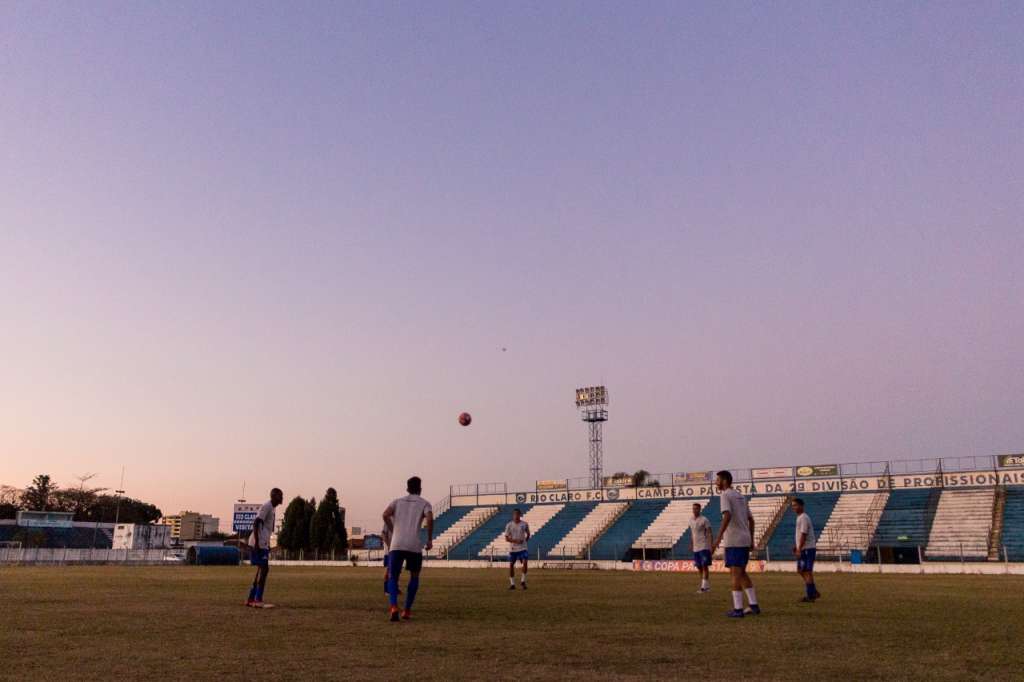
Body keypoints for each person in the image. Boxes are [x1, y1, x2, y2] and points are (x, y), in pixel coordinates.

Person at [382, 476, 434, 622]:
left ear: (407, 489)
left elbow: (385, 514)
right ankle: (407, 610)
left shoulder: (397, 502)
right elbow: (430, 518)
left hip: (396, 544)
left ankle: (394, 607)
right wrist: (429, 539)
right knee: (414, 576)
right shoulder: (425, 503)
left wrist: (393, 529)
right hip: (414, 545)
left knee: (393, 576)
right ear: (420, 489)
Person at [710, 471, 760, 618]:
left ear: (725, 481)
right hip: (744, 539)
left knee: (735, 574)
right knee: (742, 573)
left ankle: (738, 609)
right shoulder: (741, 496)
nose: (716, 482)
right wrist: (751, 540)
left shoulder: (725, 495)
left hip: (734, 540)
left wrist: (718, 538)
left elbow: (727, 515)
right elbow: (751, 520)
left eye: (718, 480)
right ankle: (754, 605)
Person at [246, 487, 283, 608]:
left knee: (261, 570)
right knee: (264, 569)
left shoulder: (271, 508)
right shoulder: (267, 506)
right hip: (259, 543)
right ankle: (258, 599)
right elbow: (256, 522)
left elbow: (264, 527)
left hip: (263, 543)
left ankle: (251, 599)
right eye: (280, 495)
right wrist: (257, 543)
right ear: (274, 496)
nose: (282, 498)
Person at [791, 498, 821, 603]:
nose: (794, 508)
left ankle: (810, 596)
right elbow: (800, 534)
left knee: (806, 571)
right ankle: (813, 591)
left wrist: (799, 549)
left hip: (807, 548)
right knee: (801, 570)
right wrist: (796, 546)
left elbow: (804, 534)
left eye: (795, 505)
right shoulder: (799, 517)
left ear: (801, 506)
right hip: (804, 548)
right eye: (792, 506)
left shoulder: (803, 517)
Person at [689, 502, 713, 593]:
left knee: (704, 566)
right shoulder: (691, 520)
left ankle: (703, 588)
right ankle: (706, 586)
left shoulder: (704, 520)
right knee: (699, 567)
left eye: (696, 508)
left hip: (704, 545)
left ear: (700, 509)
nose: (694, 510)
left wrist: (711, 545)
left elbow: (709, 532)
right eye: (693, 508)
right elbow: (692, 533)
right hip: (696, 547)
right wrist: (691, 544)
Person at [504, 508, 531, 590]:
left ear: (520, 515)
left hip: (523, 548)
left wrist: (525, 541)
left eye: (517, 514)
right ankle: (512, 584)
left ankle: (523, 581)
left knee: (525, 562)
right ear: (513, 515)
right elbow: (506, 538)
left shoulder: (524, 524)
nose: (516, 515)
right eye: (514, 514)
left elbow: (528, 534)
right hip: (513, 549)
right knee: (511, 565)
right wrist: (515, 541)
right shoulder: (509, 525)